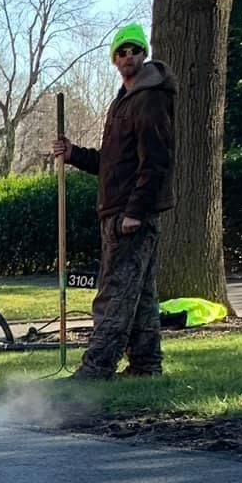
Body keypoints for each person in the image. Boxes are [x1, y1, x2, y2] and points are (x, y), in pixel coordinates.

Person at [53, 22, 177, 379]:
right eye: (121, 52)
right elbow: (112, 162)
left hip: (131, 215)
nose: (128, 57)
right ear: (114, 58)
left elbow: (155, 161)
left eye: (134, 50)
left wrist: (135, 212)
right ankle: (146, 365)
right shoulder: (122, 102)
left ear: (143, 54)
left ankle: (96, 368)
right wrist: (74, 153)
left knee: (115, 293)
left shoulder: (150, 98)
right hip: (116, 210)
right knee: (141, 297)